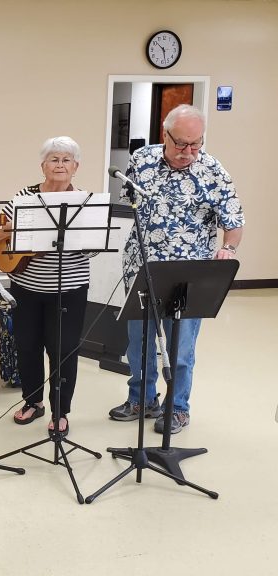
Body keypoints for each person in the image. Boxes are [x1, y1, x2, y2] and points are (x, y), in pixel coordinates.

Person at [108, 104, 244, 433]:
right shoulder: (141, 161)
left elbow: (234, 221)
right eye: (181, 144)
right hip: (142, 268)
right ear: (164, 135)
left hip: (189, 275)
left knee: (180, 347)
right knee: (138, 343)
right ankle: (142, 398)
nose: (189, 152)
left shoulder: (213, 170)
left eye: (196, 144)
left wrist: (227, 248)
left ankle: (178, 407)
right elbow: (131, 205)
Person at [0, 137, 91, 436]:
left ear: (75, 167)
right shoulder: (24, 196)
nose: (59, 165)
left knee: (63, 350)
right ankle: (33, 402)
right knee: (27, 346)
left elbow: (93, 248)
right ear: (43, 166)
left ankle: (61, 411)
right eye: (53, 160)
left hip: (69, 288)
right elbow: (0, 235)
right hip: (26, 286)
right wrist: (4, 231)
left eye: (66, 160)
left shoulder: (83, 201)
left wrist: (73, 240)